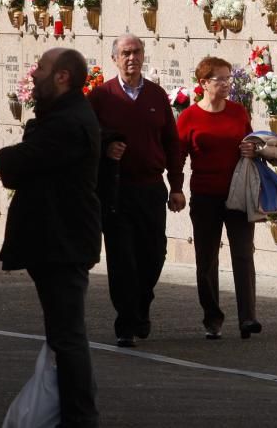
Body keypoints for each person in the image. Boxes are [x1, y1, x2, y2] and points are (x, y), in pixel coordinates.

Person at [0, 48, 101, 428]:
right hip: (57, 240)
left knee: (68, 336)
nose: (34, 73)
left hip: (63, 241)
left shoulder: (67, 121)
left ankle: (80, 418)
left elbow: (20, 162)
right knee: (64, 334)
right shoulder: (62, 115)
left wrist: (6, 158)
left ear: (62, 77)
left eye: (41, 67)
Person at [88, 34, 185, 348]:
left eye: (137, 52)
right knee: (121, 259)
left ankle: (141, 304)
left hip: (151, 189)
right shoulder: (102, 96)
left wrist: (177, 186)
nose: (132, 58)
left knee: (154, 255)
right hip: (116, 190)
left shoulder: (156, 95)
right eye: (126, 53)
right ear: (115, 58)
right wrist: (106, 146)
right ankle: (126, 322)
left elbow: (171, 142)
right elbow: (85, 136)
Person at [176, 56, 263, 340]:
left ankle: (247, 318)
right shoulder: (189, 117)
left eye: (229, 79)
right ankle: (212, 318)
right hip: (204, 196)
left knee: (242, 254)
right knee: (207, 258)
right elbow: (177, 157)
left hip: (237, 195)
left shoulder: (238, 113)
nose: (227, 84)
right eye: (220, 79)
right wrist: (176, 188)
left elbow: (251, 142)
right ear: (203, 84)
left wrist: (252, 149)